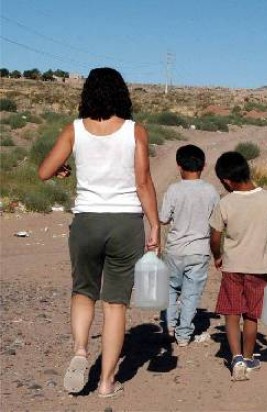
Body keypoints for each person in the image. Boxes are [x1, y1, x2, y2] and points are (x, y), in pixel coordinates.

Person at [38, 67, 160, 397]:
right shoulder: (135, 130)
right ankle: (106, 382)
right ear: (122, 93)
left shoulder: (74, 130)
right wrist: (155, 225)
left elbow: (45, 172)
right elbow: (143, 181)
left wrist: (64, 168)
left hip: (87, 220)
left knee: (83, 290)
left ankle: (80, 351)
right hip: (125, 223)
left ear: (88, 93)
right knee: (116, 303)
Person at [209, 151, 267, 381]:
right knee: (251, 315)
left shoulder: (225, 202)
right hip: (259, 269)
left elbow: (215, 237)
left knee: (232, 313)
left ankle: (235, 359)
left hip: (232, 267)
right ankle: (248, 357)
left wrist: (217, 255)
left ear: (226, 180)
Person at [159, 144, 219, 347]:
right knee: (191, 293)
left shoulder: (174, 190)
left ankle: (169, 325)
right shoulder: (211, 191)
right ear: (203, 165)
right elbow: (216, 222)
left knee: (170, 289)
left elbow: (164, 218)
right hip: (200, 251)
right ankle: (184, 335)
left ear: (179, 166)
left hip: (175, 249)